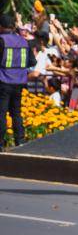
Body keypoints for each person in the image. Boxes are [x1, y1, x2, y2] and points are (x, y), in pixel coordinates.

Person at [0, 14, 36, 150]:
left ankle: (0, 143)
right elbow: (33, 61)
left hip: (3, 81)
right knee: (16, 113)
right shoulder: (24, 41)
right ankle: (20, 142)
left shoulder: (1, 40)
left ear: (1, 27)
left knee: (1, 113)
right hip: (19, 82)